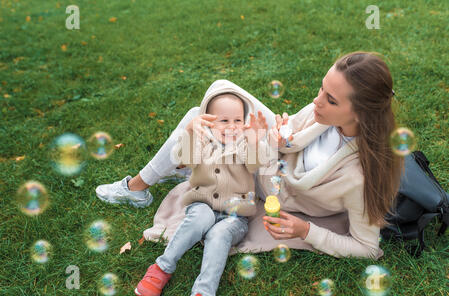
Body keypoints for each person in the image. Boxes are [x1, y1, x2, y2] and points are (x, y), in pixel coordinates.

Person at [96, 51, 403, 264]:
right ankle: (191, 164)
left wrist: (307, 231)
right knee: (210, 104)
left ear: (361, 114)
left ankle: (138, 187)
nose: (315, 101)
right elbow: (296, 127)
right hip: (268, 151)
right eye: (321, 89)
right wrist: (284, 131)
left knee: (201, 122)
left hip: (270, 182)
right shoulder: (323, 112)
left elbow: (366, 248)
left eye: (330, 99)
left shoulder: (360, 177)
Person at [133, 82, 271, 296]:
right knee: (200, 217)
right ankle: (161, 268)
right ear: (208, 123)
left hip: (235, 216)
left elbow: (255, 164)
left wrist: (255, 141)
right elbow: (184, 160)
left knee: (219, 234)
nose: (231, 126)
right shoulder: (203, 142)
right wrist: (189, 132)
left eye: (237, 120)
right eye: (223, 121)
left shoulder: (245, 145)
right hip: (202, 204)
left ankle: (203, 293)